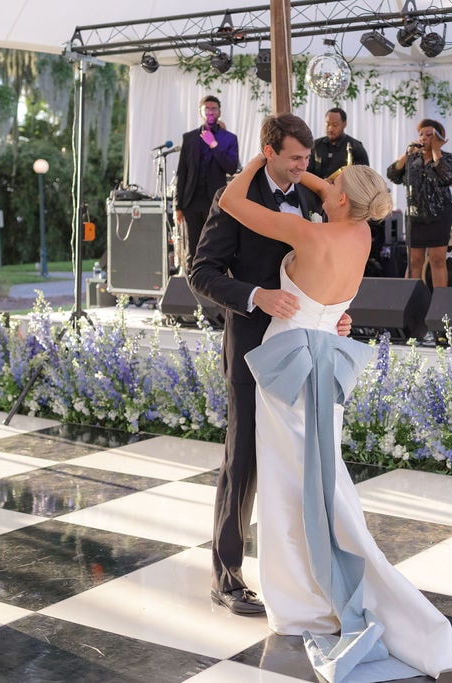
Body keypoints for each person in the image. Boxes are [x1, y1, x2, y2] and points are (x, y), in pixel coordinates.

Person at [218, 156, 452, 682]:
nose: (316, 182)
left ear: (341, 199)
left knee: (288, 483)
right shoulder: (361, 238)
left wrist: (265, 156)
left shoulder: (308, 235)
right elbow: (344, 204)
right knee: (324, 478)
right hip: (327, 359)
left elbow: (231, 202)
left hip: (287, 364)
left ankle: (302, 599)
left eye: (327, 183)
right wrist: (303, 168)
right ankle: (322, 581)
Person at [189, 113, 334, 617]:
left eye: (307, 158)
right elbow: (200, 273)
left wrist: (335, 310)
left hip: (306, 343)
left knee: (302, 458)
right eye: (294, 157)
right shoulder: (236, 200)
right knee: (243, 458)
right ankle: (226, 576)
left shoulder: (313, 198)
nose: (303, 166)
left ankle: (303, 575)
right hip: (253, 344)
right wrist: (256, 296)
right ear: (268, 151)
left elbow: (328, 263)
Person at [387, 119, 452, 289]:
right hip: (415, 216)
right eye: (421, 134)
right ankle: (409, 303)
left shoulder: (446, 157)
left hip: (439, 215)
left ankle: (440, 305)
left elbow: (448, 177)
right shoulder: (411, 159)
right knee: (413, 261)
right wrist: (406, 153)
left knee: (437, 260)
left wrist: (436, 150)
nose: (424, 138)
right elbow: (392, 173)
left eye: (429, 135)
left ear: (439, 138)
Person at [175, 95, 240, 273]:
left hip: (215, 201)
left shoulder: (229, 138)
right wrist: (178, 205)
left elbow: (232, 167)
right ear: (201, 112)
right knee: (192, 246)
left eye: (214, 109)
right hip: (191, 201)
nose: (210, 112)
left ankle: (212, 281)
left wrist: (214, 145)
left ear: (219, 112)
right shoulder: (189, 138)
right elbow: (182, 172)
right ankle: (191, 282)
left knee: (213, 244)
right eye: (207, 109)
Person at [307, 107, 370, 180]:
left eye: (335, 125)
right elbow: (306, 172)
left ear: (344, 124)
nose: (330, 129)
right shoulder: (316, 145)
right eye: (327, 124)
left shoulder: (356, 147)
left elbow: (364, 177)